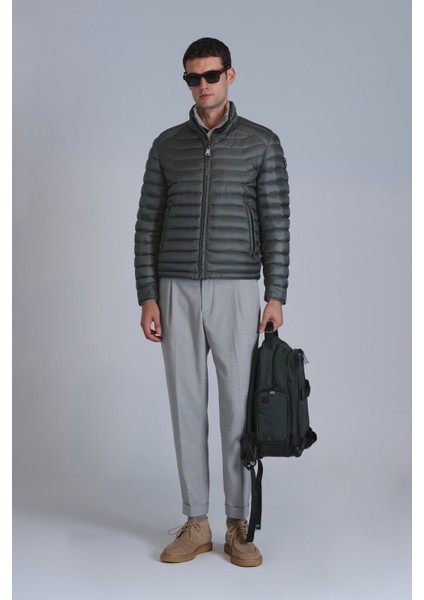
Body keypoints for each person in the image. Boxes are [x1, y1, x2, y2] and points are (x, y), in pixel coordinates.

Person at [134, 37, 290, 567]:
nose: (202, 85)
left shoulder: (261, 143)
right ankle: (196, 522)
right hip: (175, 288)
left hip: (237, 288)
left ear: (230, 75)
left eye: (211, 75)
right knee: (186, 405)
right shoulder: (166, 145)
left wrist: (275, 293)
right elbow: (147, 224)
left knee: (238, 410)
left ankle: (237, 525)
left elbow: (276, 223)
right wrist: (148, 295)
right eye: (192, 77)